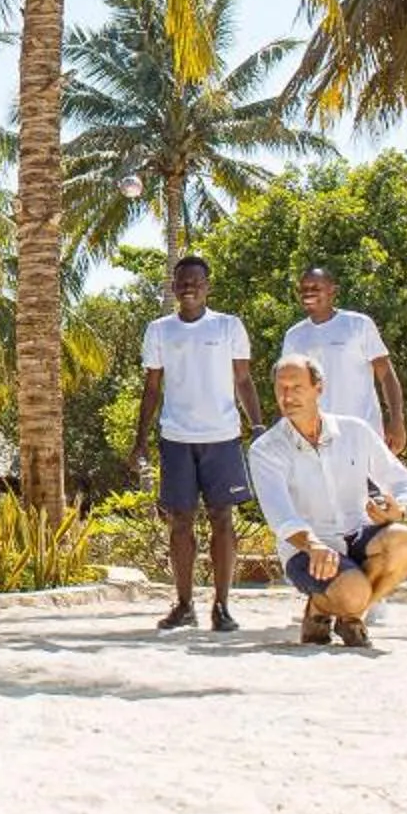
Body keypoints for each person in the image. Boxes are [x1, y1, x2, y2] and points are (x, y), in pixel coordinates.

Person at [123, 254, 263, 633]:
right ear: (173, 287)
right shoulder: (159, 330)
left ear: (207, 287)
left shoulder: (229, 326)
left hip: (222, 437)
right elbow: (152, 387)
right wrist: (140, 440)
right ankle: (184, 604)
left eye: (196, 282)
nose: (189, 287)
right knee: (179, 522)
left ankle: (222, 605)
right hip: (176, 437)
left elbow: (244, 381)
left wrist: (258, 424)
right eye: (182, 281)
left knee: (223, 518)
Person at [251, 353, 407, 647]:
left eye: (297, 387)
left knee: (402, 540)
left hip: (358, 535)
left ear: (319, 387)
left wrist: (401, 509)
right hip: (306, 550)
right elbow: (280, 515)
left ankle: (329, 612)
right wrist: (314, 545)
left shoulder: (355, 431)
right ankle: (341, 606)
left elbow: (399, 480)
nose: (287, 396)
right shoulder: (265, 449)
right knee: (353, 594)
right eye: (281, 388)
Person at [276, 265, 406, 453]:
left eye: (315, 288)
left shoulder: (358, 325)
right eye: (303, 289)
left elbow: (386, 375)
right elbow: (287, 386)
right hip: (315, 439)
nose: (308, 293)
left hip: (363, 436)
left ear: (333, 292)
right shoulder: (294, 336)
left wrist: (396, 420)